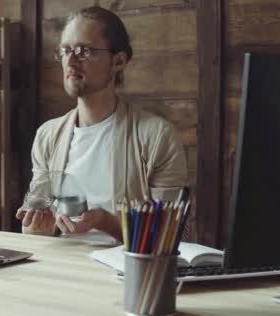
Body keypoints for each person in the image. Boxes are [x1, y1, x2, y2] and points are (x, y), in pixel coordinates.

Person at [15, 6, 188, 241]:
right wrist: (37, 226)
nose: (70, 61)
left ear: (118, 61)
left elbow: (165, 237)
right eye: (65, 51)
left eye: (83, 51)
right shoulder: (47, 135)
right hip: (58, 268)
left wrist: (103, 221)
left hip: (125, 273)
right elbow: (37, 228)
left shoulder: (156, 136)